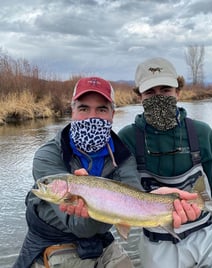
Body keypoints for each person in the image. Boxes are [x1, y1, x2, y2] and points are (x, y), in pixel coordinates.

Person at [13, 76, 200, 268]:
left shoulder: (122, 156)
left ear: (112, 114)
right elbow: (80, 226)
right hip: (51, 242)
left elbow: (134, 202)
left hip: (100, 238)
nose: (92, 116)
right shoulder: (47, 156)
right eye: (84, 108)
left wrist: (162, 202)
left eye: (101, 109)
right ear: (72, 111)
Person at [117, 57, 212, 268]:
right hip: (156, 240)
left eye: (166, 90)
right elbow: (122, 191)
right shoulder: (127, 139)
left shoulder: (202, 133)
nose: (159, 98)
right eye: (150, 92)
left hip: (207, 233)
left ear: (178, 91)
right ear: (139, 96)